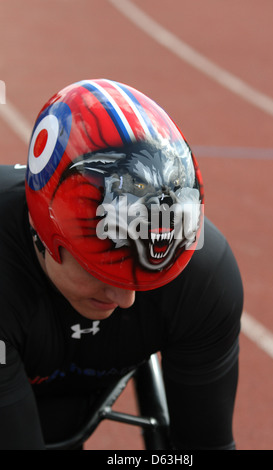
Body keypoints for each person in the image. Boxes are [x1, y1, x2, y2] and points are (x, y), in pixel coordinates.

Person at [0, 79, 243, 450]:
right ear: (42, 229)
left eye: (150, 275)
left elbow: (205, 446)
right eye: (101, 270)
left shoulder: (203, 279)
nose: (126, 298)